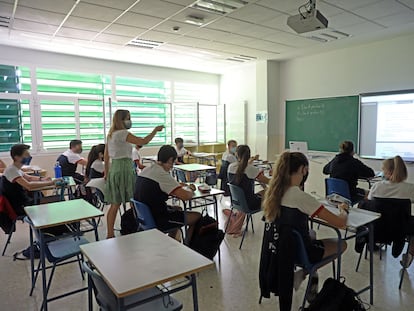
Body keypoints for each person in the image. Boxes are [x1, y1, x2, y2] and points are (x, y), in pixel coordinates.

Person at [261, 151, 348, 306]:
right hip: (299, 252)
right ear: (303, 169)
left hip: (279, 252)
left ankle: (310, 277)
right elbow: (340, 223)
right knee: (343, 244)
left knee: (312, 232)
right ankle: (303, 273)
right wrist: (344, 210)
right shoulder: (300, 197)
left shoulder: (274, 192)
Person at [104, 109, 164, 239]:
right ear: (121, 120)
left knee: (115, 204)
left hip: (115, 168)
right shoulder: (123, 133)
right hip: (125, 168)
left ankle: (110, 234)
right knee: (133, 200)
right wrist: (155, 130)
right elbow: (143, 141)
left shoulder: (111, 134)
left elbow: (106, 155)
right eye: (128, 118)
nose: (129, 120)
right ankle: (138, 227)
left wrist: (107, 173)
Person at [134, 145, 201, 241]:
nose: (172, 166)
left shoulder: (147, 170)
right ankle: (188, 248)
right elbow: (186, 196)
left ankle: (172, 243)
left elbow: (162, 186)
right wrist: (190, 189)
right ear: (170, 160)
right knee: (197, 216)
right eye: (173, 162)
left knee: (178, 209)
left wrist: (178, 185)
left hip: (144, 218)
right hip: (158, 220)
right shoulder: (161, 174)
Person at [367, 155, 414, 268]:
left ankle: (374, 243)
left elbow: (369, 201)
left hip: (379, 228)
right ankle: (410, 254)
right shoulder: (410, 188)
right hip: (400, 229)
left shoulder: (377, 186)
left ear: (388, 172)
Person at [0, 144, 60, 215]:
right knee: (58, 200)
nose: (29, 157)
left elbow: (29, 178)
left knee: (56, 199)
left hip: (23, 200)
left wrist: (43, 179)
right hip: (20, 205)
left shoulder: (15, 169)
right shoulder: (12, 170)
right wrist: (50, 183)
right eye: (26, 155)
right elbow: (29, 185)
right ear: (17, 157)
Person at [228, 145, 270, 211]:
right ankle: (270, 218)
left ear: (236, 154)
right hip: (250, 204)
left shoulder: (230, 167)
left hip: (236, 202)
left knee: (261, 192)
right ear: (249, 155)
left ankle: (236, 220)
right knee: (270, 192)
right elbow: (269, 182)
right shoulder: (250, 169)